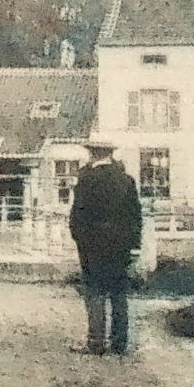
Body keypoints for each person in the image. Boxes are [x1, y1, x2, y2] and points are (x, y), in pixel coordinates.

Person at [68, 142, 142, 356]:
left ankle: (96, 342)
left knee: (95, 292)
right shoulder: (126, 180)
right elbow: (135, 216)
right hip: (120, 245)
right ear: (110, 155)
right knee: (119, 293)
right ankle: (120, 343)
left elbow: (77, 215)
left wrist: (80, 238)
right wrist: (133, 246)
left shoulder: (87, 180)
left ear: (93, 154)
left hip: (93, 245)